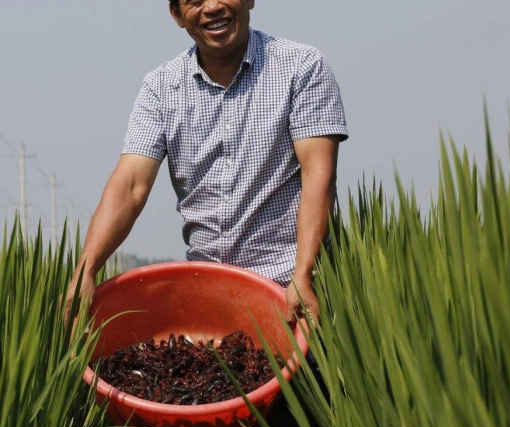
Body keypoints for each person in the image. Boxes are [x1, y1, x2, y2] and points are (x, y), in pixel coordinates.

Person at [64, 0, 348, 324]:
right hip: (212, 300)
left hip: (291, 293)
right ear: (177, 15)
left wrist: (304, 274)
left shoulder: (301, 66)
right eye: (194, 1)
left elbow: (318, 174)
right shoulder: (160, 88)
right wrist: (86, 270)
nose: (212, 7)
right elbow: (130, 185)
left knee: (310, 374)